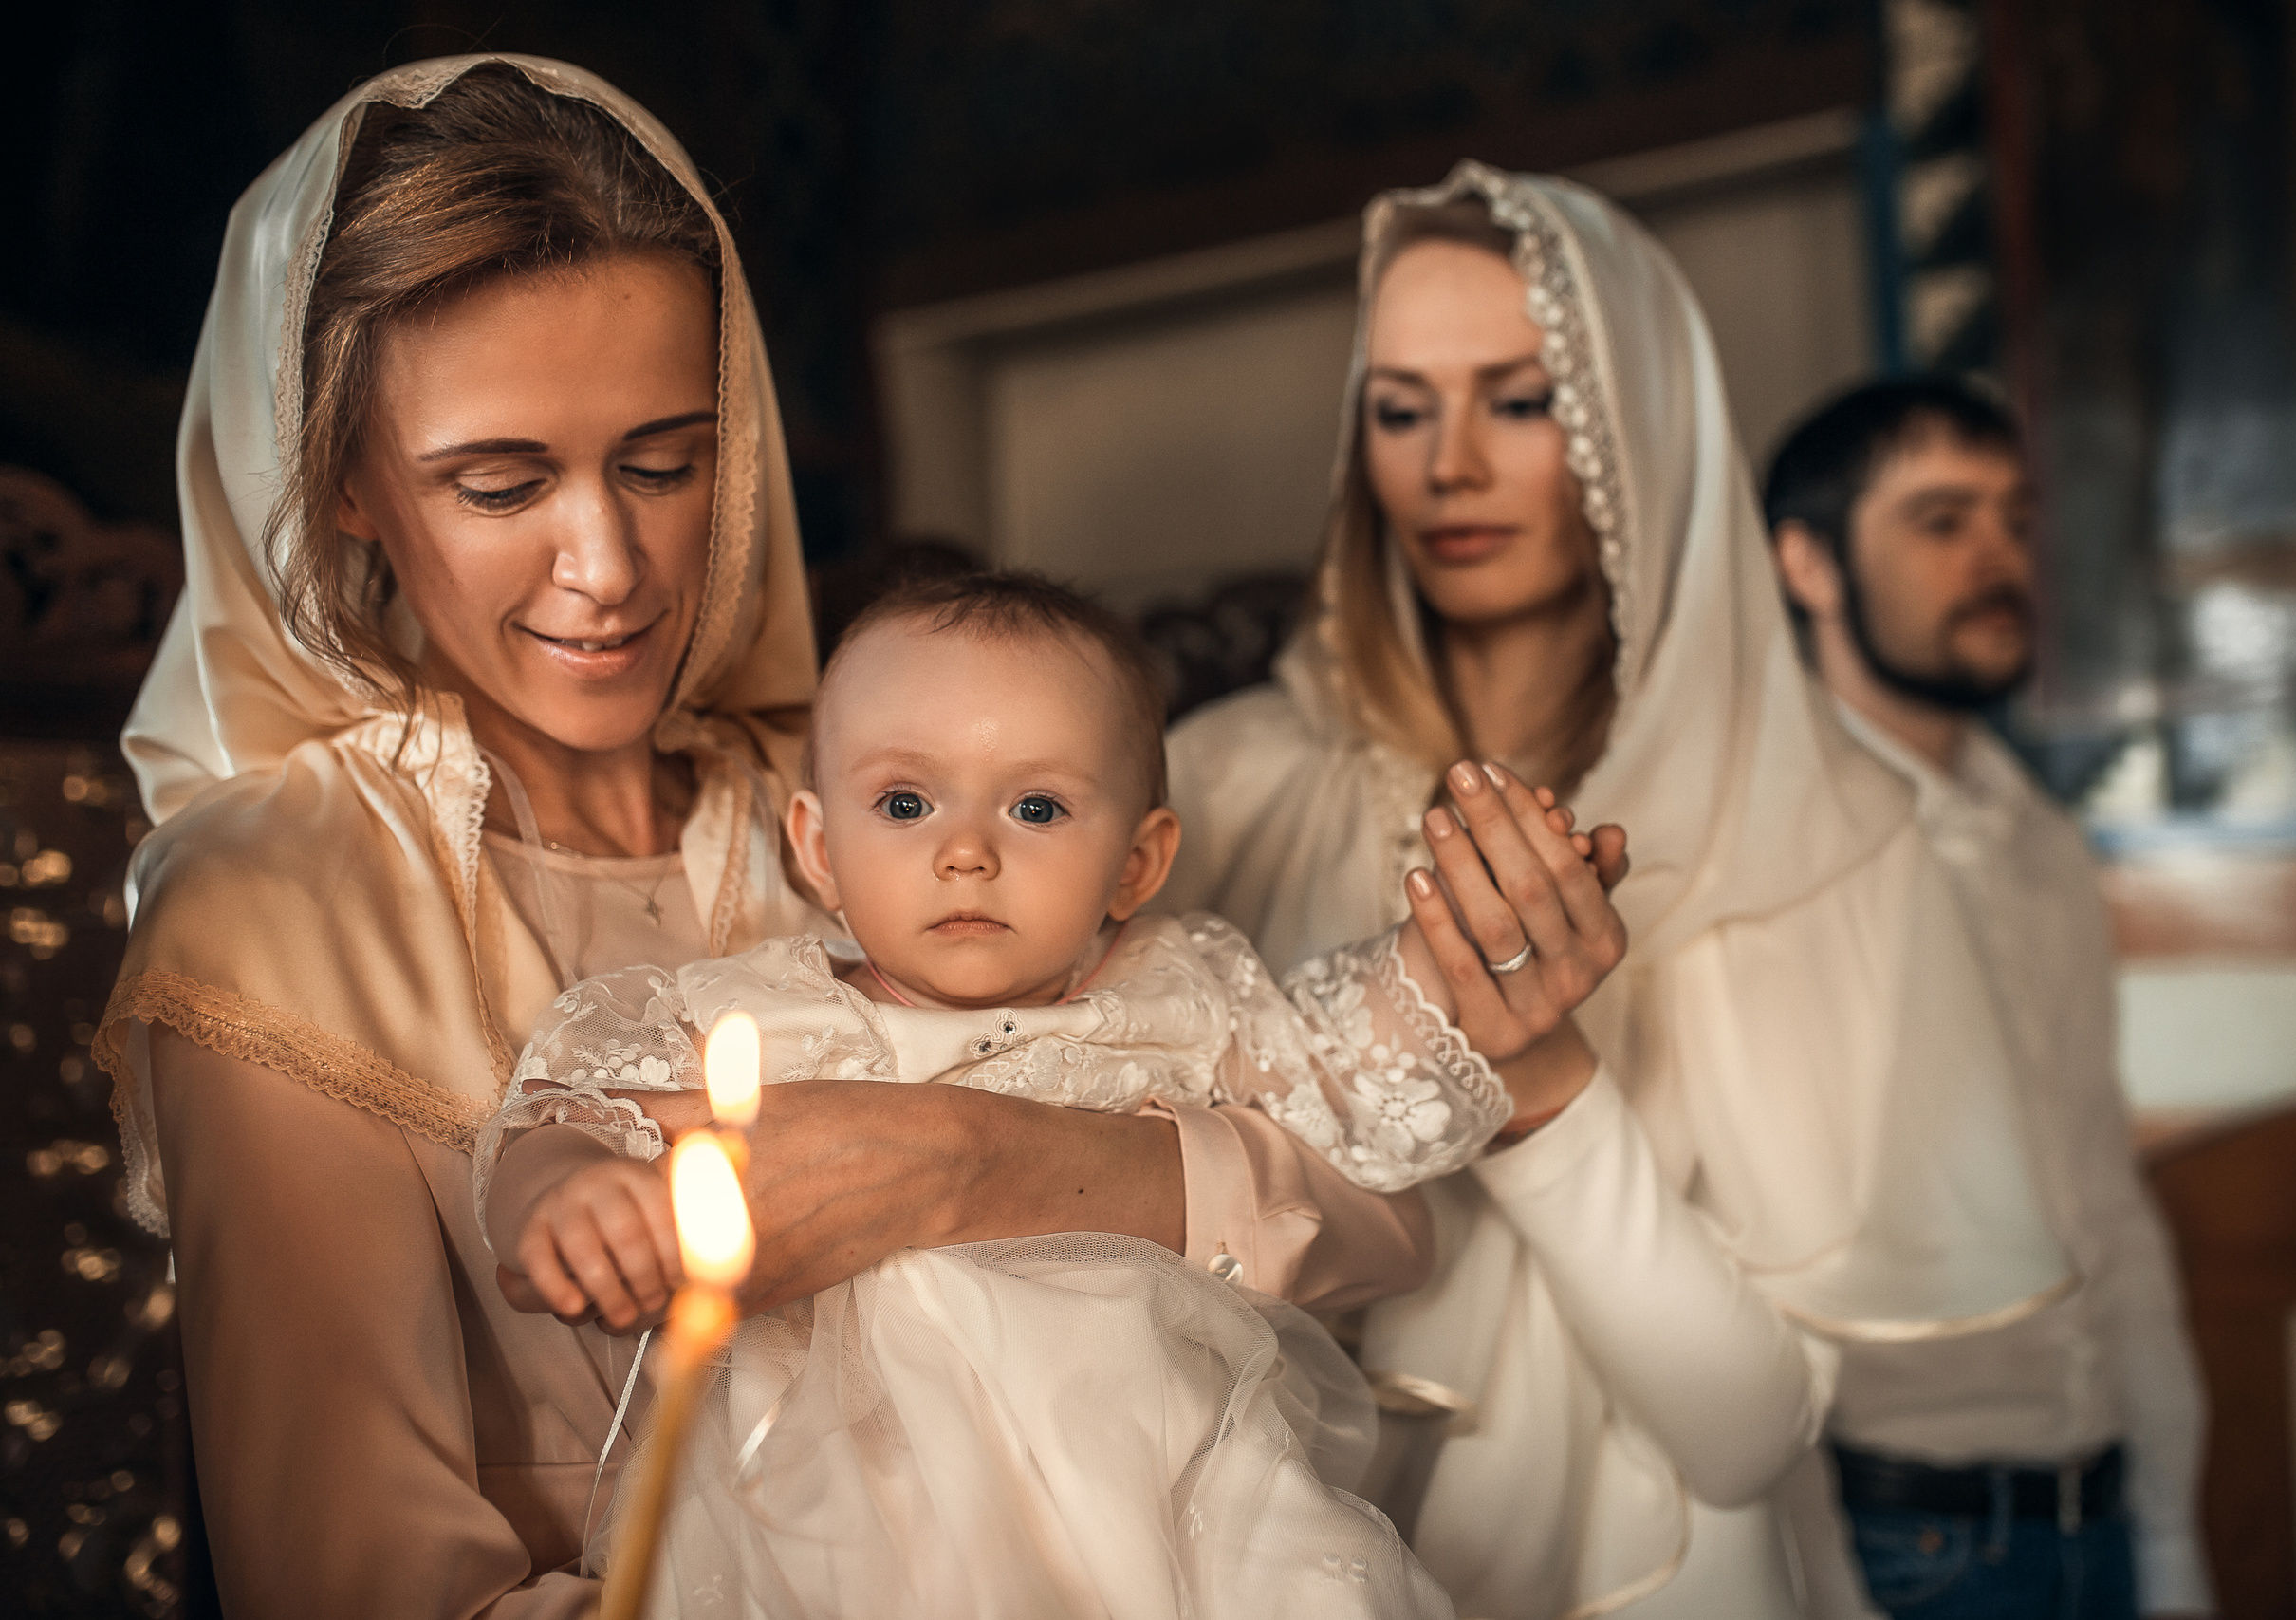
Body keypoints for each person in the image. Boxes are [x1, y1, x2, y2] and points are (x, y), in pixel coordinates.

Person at [92, 59, 1590, 1615]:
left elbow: (1368, 1217)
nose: (608, 564)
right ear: (340, 478)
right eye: (500, 483)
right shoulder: (280, 900)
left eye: (664, 463)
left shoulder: (876, 793)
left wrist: (970, 1163)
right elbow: (362, 1586)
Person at [1159, 161, 2074, 1617]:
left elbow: (1748, 1428)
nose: (1450, 464)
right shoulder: (1217, 780)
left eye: (1522, 400)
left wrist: (1543, 1088)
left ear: (1635, 417)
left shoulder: (1817, 820)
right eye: (1401, 408)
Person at [478, 571, 1630, 1616]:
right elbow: (569, 1107)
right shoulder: (756, 1017)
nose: (966, 852)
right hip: (848, 1504)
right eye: (905, 803)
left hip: (1169, 1486)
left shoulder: (1172, 994)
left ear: (1137, 862)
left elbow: (1334, 1066)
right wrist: (568, 1188)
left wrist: (1455, 959)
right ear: (817, 849)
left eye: (1034, 808)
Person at [1763, 378, 2213, 1618]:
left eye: (2016, 519)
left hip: (2100, 1515)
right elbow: (1747, 1268)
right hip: (1901, 1543)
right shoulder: (1765, 856)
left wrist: (2172, 1544)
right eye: (1941, 520)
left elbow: (2103, 1197)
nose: (1998, 557)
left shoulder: (2043, 840)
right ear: (1808, 563)